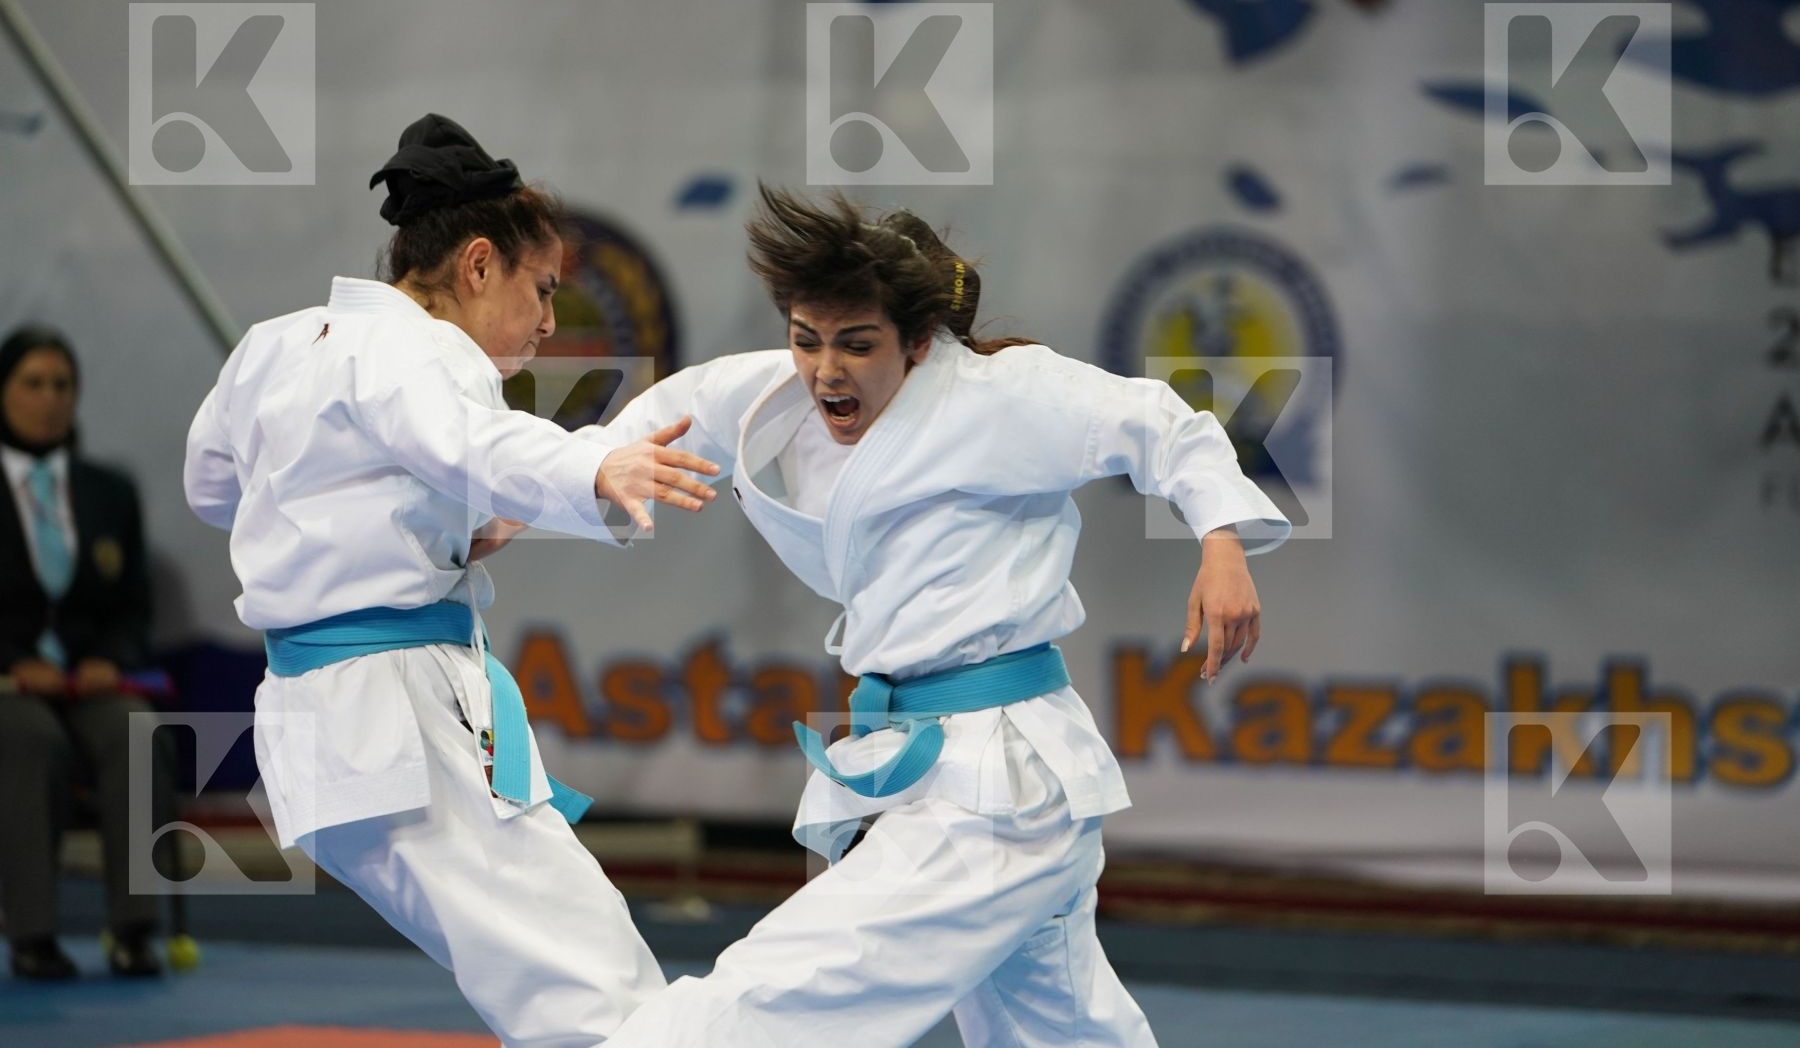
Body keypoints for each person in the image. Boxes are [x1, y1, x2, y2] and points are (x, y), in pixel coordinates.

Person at [595, 186, 1289, 1046]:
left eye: (857, 345)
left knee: (782, 989)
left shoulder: (1000, 396)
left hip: (1001, 782)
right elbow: (646, 431)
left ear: (921, 341)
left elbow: (1162, 424)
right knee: (1062, 1033)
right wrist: (545, 495)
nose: (824, 370)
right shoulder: (770, 397)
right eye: (806, 339)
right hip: (961, 773)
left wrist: (1221, 539)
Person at [181, 114, 720, 1047]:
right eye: (541, 289)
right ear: (478, 266)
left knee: (554, 957)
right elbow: (477, 443)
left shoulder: (272, 343)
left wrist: (385, 533)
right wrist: (594, 472)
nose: (551, 321)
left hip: (321, 722)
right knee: (581, 974)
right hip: (391, 718)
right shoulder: (425, 352)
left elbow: (212, 488)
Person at [0, 327, 175, 980]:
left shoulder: (109, 491)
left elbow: (133, 605)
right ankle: (32, 935)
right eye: (32, 384)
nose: (49, 400)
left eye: (61, 385)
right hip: (10, 689)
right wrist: (16, 661)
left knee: (137, 734)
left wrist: (111, 658)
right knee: (28, 741)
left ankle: (133, 930)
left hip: (87, 683)